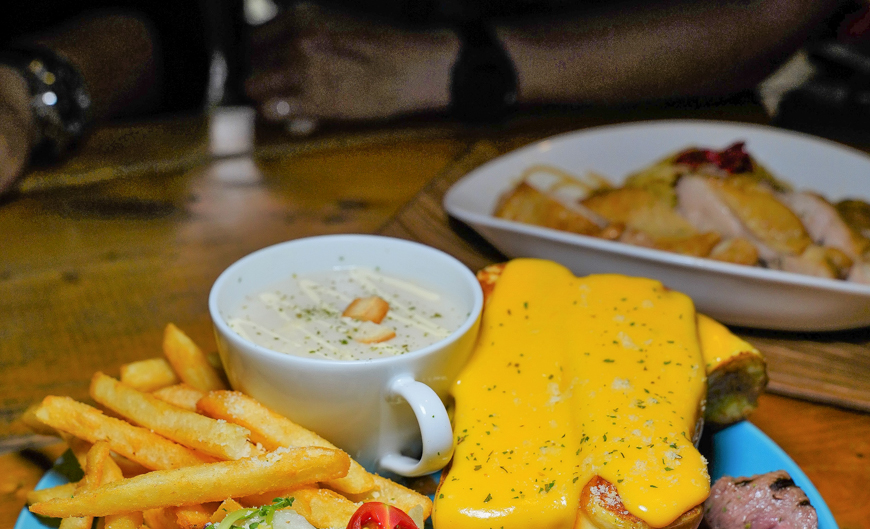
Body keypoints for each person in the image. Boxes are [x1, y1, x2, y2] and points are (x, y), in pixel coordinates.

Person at [0, 0, 849, 196]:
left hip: (659, 125)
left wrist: (469, 64)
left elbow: (779, 11)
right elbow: (178, 26)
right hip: (322, 162)